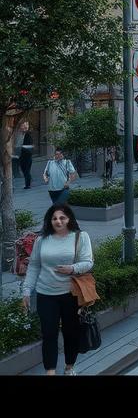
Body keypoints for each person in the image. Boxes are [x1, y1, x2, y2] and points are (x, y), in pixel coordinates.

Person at [21, 204, 94, 375]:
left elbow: (88, 262)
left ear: (69, 219)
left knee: (71, 332)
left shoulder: (80, 237)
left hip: (71, 294)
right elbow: (34, 267)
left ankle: (69, 367)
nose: (58, 221)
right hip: (46, 294)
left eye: (62, 218)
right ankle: (50, 371)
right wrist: (26, 291)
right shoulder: (42, 240)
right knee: (49, 334)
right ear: (49, 220)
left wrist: (73, 268)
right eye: (54, 218)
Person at [13, 120, 34, 189]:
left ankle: (28, 184)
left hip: (27, 156)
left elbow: (29, 146)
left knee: (26, 171)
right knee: (24, 170)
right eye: (23, 125)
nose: (25, 127)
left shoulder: (28, 134)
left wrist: (21, 147)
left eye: (26, 125)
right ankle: (29, 181)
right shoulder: (19, 134)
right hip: (21, 156)